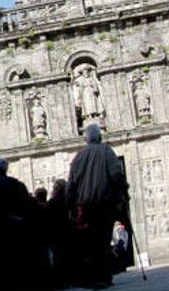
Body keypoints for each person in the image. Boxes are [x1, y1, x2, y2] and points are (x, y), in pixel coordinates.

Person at [66, 124, 129, 289]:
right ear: (99, 137)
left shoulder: (79, 156)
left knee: (91, 241)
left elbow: (71, 183)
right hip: (105, 204)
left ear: (86, 138)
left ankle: (96, 276)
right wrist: (122, 193)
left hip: (86, 206)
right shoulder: (107, 152)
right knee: (104, 239)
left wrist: (71, 204)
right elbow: (116, 175)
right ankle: (104, 275)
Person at [0, 159, 36, 291]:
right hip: (14, 230)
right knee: (15, 263)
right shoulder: (17, 185)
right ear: (6, 170)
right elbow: (27, 207)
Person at [45, 179, 73, 289]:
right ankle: (68, 279)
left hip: (55, 233)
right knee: (66, 256)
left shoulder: (51, 203)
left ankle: (60, 280)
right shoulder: (68, 201)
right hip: (66, 231)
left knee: (57, 257)